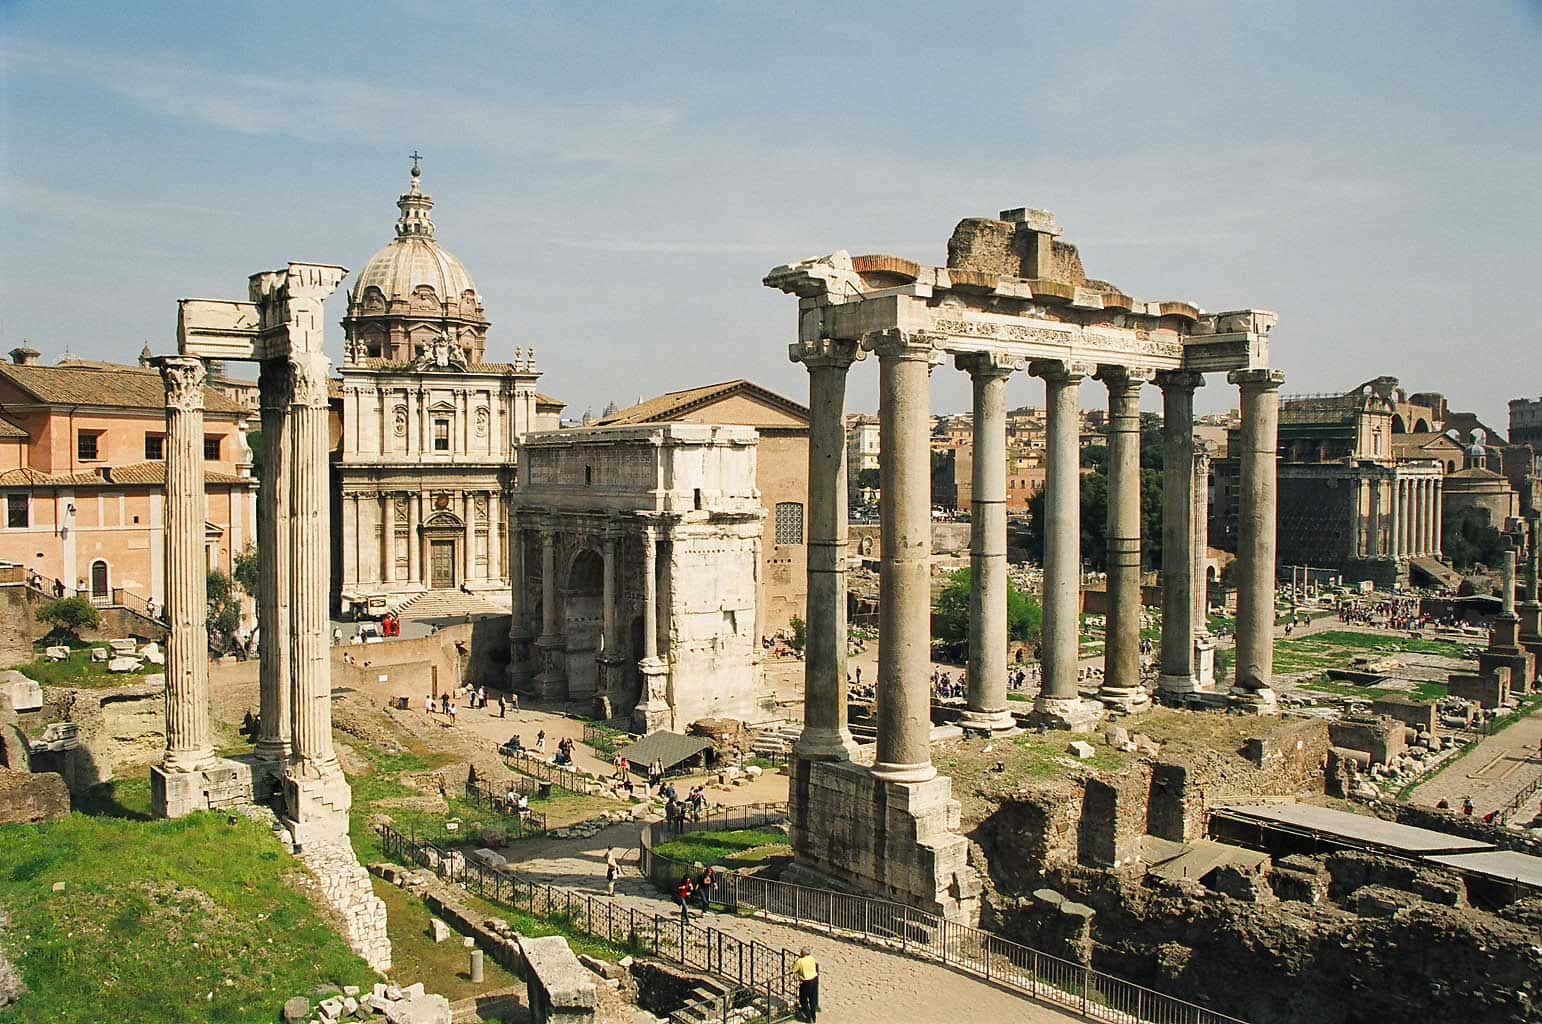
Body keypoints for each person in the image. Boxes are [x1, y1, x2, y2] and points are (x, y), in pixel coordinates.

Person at [792, 947, 818, 1022]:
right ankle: (814, 1016)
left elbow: (794, 970)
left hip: (806, 982)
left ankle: (809, 1017)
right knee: (813, 999)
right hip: (815, 979)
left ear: (802, 954)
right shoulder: (812, 958)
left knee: (803, 1000)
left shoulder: (800, 961)